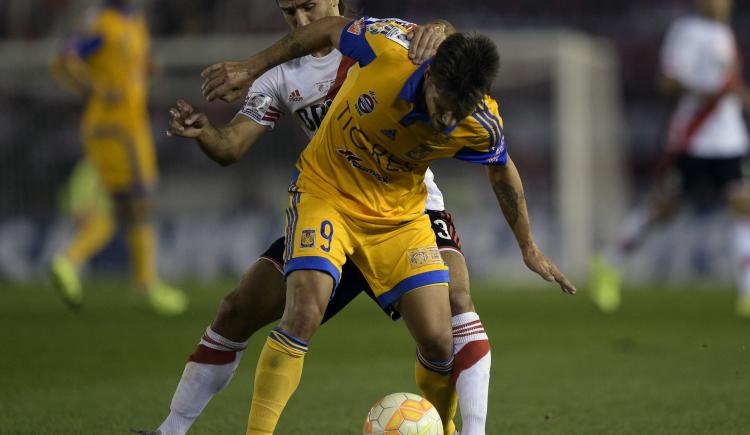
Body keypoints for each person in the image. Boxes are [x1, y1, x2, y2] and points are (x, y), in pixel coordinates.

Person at [195, 15, 575, 435]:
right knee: (303, 309)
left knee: (438, 338)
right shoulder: (387, 49)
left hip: (398, 214)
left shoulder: (480, 121)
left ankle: (446, 428)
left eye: (458, 112)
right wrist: (253, 67)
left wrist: (528, 247)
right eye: (443, 106)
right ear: (430, 75)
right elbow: (328, 27)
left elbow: (502, 172)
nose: (448, 121)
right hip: (328, 194)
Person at [139, 2, 484, 434]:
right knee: (236, 310)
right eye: (289, 12)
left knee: (452, 309)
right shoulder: (282, 73)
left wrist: (442, 27)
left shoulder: (376, 38)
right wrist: (205, 131)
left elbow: (449, 50)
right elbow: (231, 148)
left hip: (406, 210)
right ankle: (170, 429)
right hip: (331, 208)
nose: (302, 20)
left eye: (309, 7)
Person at [590, 0, 750, 317]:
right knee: (665, 206)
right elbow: (667, 81)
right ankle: (609, 262)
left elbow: (730, 85)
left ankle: (747, 291)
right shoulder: (687, 31)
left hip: (729, 139)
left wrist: (739, 95)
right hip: (693, 137)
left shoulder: (725, 33)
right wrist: (710, 92)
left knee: (741, 204)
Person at [48, 0, 187, 316]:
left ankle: (72, 262)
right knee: (137, 202)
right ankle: (143, 284)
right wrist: (96, 87)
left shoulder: (134, 21)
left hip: (130, 126)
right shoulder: (103, 23)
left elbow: (129, 65)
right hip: (114, 128)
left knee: (126, 206)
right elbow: (65, 60)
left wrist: (147, 67)